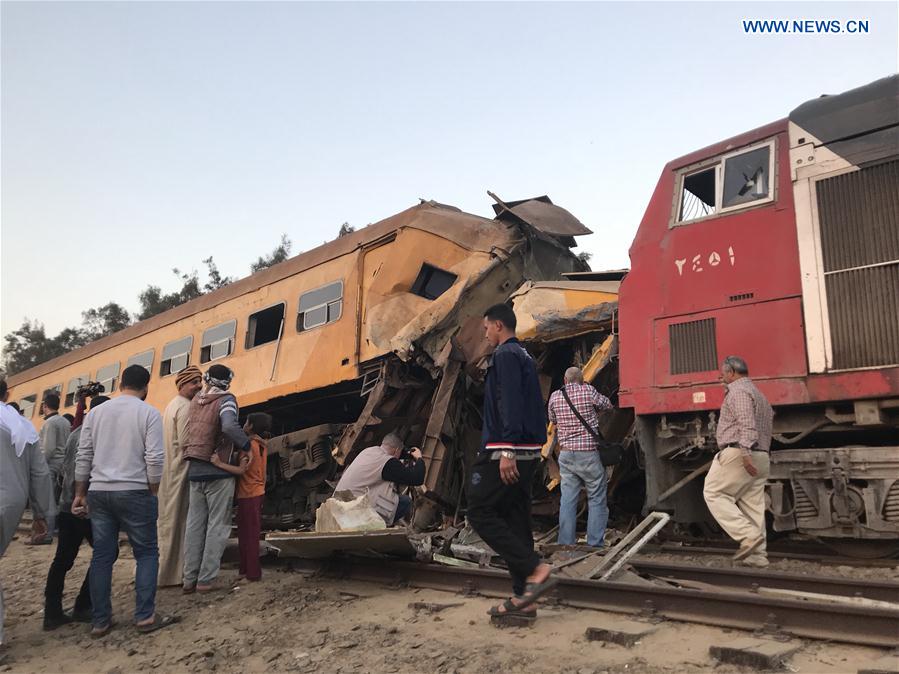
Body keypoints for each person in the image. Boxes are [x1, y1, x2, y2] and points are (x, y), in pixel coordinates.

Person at [73, 365, 178, 637]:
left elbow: (83, 456)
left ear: (121, 383)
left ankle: (100, 621)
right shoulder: (149, 413)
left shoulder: (95, 413)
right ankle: (144, 617)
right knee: (145, 553)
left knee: (102, 556)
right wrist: (153, 489)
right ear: (146, 387)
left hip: (98, 491)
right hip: (134, 490)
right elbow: (155, 458)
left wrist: (80, 493)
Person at [467, 303, 555, 620]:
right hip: (529, 449)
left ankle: (535, 568)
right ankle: (523, 597)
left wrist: (506, 450)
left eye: (487, 327)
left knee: (479, 511)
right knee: (515, 517)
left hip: (507, 449)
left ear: (500, 325)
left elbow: (510, 402)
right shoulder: (524, 356)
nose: (485, 332)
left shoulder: (504, 355)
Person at [43, 394, 110, 630]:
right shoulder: (99, 435)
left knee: (62, 560)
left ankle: (52, 613)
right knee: (106, 553)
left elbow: (63, 469)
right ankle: (84, 604)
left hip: (66, 505)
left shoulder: (75, 433)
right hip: (87, 506)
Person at [181, 364, 250, 594]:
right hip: (218, 471)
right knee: (217, 526)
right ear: (228, 381)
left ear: (207, 379)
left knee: (194, 526)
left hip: (195, 469)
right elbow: (229, 425)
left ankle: (189, 579)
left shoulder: (195, 401)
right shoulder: (226, 400)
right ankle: (206, 580)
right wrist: (246, 445)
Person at [703, 356, 774, 568]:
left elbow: (747, 424)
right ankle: (757, 556)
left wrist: (744, 453)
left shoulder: (739, 392)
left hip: (741, 453)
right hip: (762, 454)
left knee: (714, 493)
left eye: (723, 373)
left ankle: (748, 537)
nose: (721, 377)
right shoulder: (759, 395)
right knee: (752, 504)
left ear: (732, 373)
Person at [1, 378, 53, 649]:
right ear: (7, 393)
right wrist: (42, 514)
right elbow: (40, 474)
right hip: (11, 502)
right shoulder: (22, 425)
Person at [547, 366, 613, 548]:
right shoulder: (588, 391)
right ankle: (594, 543)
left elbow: (552, 419)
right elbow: (607, 404)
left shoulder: (555, 396)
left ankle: (566, 543)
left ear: (565, 380)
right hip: (588, 454)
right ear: (582, 380)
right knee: (597, 498)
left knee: (568, 499)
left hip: (566, 455)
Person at [208, 413, 272, 581]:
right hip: (257, 493)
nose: (243, 424)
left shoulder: (248, 446)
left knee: (247, 536)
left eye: (246, 422)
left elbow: (242, 470)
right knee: (249, 535)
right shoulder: (262, 445)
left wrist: (219, 464)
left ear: (250, 426)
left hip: (248, 494)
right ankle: (246, 571)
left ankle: (252, 574)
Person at [157, 365, 203, 588]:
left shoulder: (171, 406)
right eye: (194, 382)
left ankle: (163, 571)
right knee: (180, 522)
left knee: (167, 522)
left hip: (170, 470)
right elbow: (187, 443)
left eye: (200, 381)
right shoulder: (185, 407)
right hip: (181, 471)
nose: (199, 386)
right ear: (182, 385)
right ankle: (174, 574)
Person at [334, 432, 425, 526]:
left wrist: (407, 454)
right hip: (356, 511)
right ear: (397, 450)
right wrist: (419, 458)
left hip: (339, 504)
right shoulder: (387, 462)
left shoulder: (369, 451)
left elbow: (394, 457)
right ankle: (378, 527)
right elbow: (416, 478)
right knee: (405, 502)